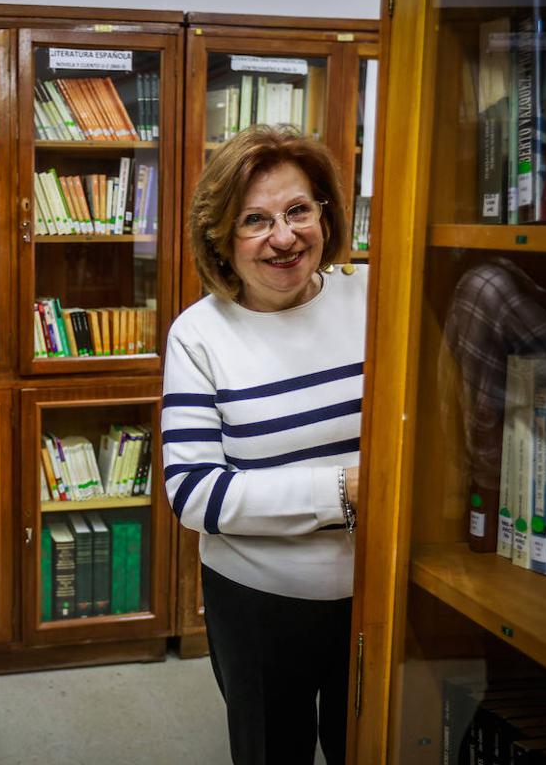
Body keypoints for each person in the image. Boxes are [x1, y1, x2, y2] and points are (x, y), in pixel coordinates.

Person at [162, 125, 366, 764]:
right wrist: (342, 491)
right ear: (221, 238)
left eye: (298, 210)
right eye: (254, 220)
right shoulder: (199, 336)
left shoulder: (373, 300)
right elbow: (196, 494)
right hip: (257, 606)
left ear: (325, 214)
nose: (284, 237)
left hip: (380, 595)